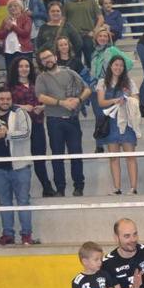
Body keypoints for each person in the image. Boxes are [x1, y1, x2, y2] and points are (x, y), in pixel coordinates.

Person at [0, 87, 35, 246]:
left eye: (8, 99)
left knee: (23, 201)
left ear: (11, 99)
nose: (5, 102)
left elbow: (26, 133)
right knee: (4, 203)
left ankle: (26, 235)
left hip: (20, 166)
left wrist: (6, 133)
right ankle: (8, 234)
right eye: (2, 99)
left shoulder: (20, 113)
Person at [35, 47, 90, 197]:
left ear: (55, 57)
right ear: (41, 62)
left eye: (49, 56)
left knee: (76, 154)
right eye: (43, 59)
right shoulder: (41, 78)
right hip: (54, 121)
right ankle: (60, 188)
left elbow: (87, 89)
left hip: (72, 120)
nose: (47, 60)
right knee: (57, 155)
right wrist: (62, 103)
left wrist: (78, 100)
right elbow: (41, 97)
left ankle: (79, 187)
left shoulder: (70, 72)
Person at [6, 57, 54, 198]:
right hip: (19, 128)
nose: (24, 69)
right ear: (16, 68)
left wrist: (43, 107)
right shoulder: (10, 85)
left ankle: (47, 187)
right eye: (21, 66)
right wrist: (22, 107)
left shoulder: (37, 82)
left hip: (37, 125)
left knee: (40, 158)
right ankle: (22, 191)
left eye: (27, 66)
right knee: (22, 160)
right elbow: (5, 104)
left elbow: (49, 99)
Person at [97, 55, 141, 195]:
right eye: (116, 65)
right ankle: (117, 188)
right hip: (111, 123)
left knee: (130, 156)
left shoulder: (130, 82)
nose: (118, 67)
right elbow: (101, 103)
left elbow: (136, 99)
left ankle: (133, 188)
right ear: (110, 66)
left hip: (127, 122)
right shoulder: (102, 82)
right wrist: (116, 100)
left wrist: (127, 98)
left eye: (121, 65)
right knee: (114, 157)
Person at [64, 0, 103, 69]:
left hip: (87, 35)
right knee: (74, 63)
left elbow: (101, 19)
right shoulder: (68, 3)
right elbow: (63, 20)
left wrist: (94, 31)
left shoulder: (91, 2)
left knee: (90, 61)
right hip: (72, 37)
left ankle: (92, 81)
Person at [0, 0, 34, 71]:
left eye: (15, 6)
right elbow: (0, 35)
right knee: (11, 74)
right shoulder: (5, 20)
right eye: (10, 7)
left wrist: (13, 26)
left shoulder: (26, 19)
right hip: (9, 51)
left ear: (21, 8)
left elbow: (25, 33)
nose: (13, 8)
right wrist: (7, 29)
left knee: (25, 72)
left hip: (23, 51)